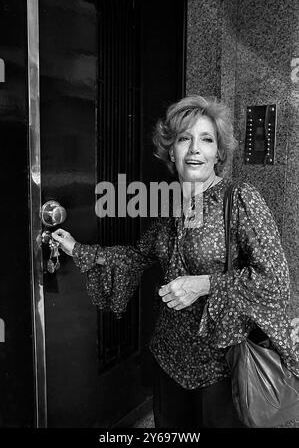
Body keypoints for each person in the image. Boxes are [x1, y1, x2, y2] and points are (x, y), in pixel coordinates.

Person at [52, 95, 299, 428]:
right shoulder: (172, 205)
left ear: (218, 153)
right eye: (185, 139)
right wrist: (78, 249)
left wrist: (203, 285)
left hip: (221, 368)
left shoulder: (239, 198)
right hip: (169, 361)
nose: (195, 149)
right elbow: (138, 256)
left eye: (206, 140)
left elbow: (275, 281)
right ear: (171, 150)